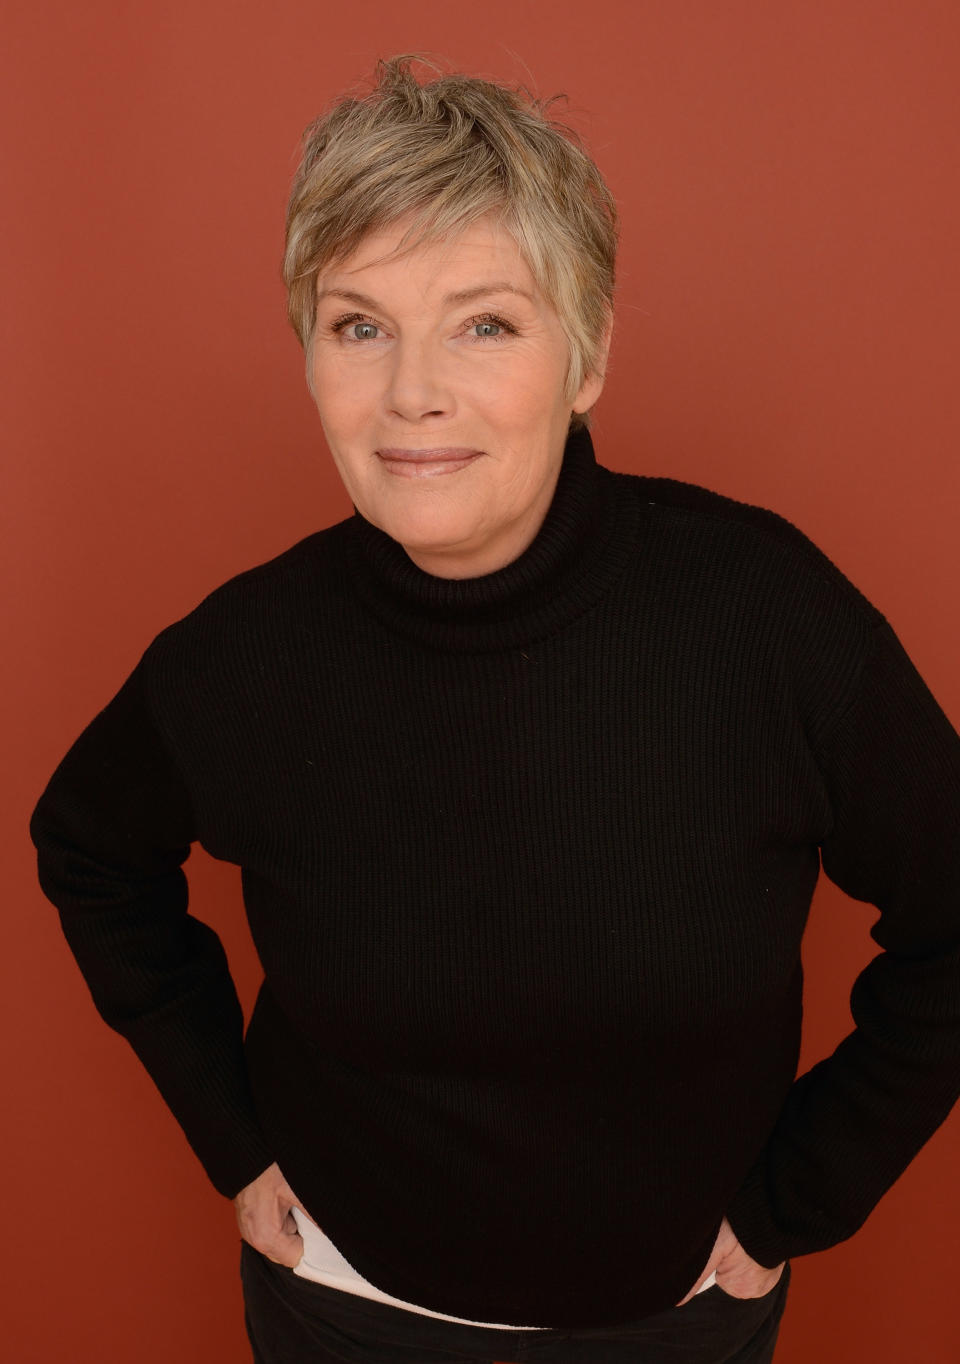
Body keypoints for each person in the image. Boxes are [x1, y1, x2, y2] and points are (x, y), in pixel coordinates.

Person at [29, 51, 960, 1364]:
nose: (413, 393)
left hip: (676, 1327)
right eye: (360, 325)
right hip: (339, 1310)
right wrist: (232, 1143)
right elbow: (89, 848)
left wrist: (803, 1196)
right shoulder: (249, 655)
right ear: (307, 350)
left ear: (586, 357)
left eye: (485, 322)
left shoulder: (765, 619)